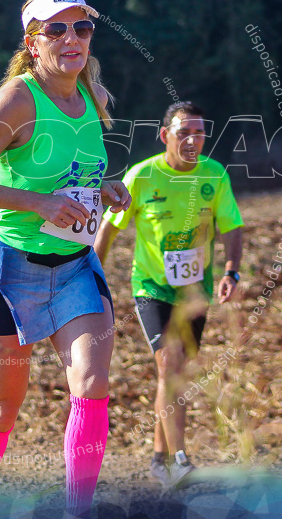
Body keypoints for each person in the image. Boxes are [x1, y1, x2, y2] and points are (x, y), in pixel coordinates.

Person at [0, 0, 131, 517]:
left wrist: (105, 188)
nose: (72, 38)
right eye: (57, 29)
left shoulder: (90, 95)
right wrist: (39, 204)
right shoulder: (19, 98)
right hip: (10, 268)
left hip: (75, 267)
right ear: (32, 41)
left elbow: (73, 176)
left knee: (93, 385)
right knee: (4, 409)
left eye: (82, 27)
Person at [94, 101, 244, 488]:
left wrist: (231, 271)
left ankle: (158, 458)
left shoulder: (214, 175)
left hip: (196, 290)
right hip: (152, 287)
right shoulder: (142, 177)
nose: (192, 139)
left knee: (175, 373)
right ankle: (180, 460)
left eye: (199, 132)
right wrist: (91, 276)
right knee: (168, 362)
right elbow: (109, 228)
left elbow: (232, 226)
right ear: (165, 136)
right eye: (183, 132)